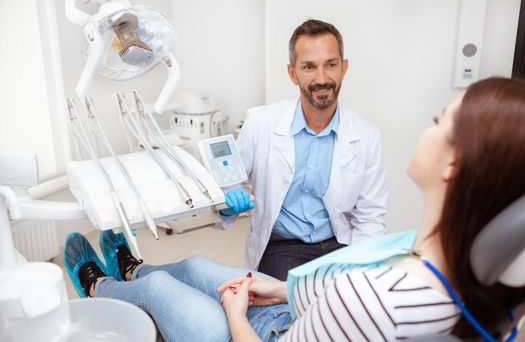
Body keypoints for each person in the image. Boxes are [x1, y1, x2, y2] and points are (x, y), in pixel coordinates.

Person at [64, 77, 525, 341]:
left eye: (439, 122)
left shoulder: (378, 298)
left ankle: (98, 285)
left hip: (265, 333)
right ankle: (132, 269)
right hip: (303, 311)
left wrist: (236, 314)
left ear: (453, 163)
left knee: (164, 290)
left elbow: (358, 291)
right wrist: (282, 290)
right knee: (198, 263)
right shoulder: (476, 281)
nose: (430, 128)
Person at [219, 19, 388, 280]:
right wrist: (228, 201)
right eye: (309, 67)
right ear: (292, 73)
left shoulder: (367, 136)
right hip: (283, 246)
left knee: (357, 310)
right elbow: (228, 184)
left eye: (330, 65)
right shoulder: (261, 123)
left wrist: (360, 272)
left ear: (344, 68)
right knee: (292, 313)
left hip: (339, 245)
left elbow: (370, 217)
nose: (322, 79)